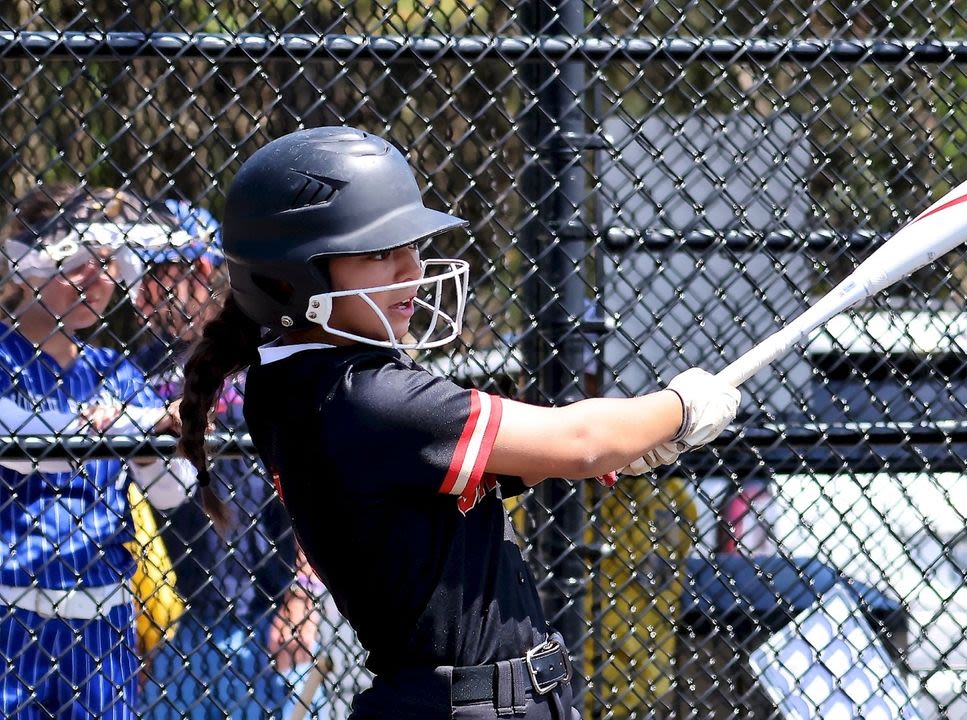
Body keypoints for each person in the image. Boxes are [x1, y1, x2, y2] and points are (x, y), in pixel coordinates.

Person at [174, 126, 742, 720]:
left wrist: (631, 438)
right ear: (291, 279)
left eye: (410, 246)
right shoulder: (364, 394)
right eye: (376, 253)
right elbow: (582, 442)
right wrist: (679, 406)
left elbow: (448, 483)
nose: (409, 271)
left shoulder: (293, 380)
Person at [104, 192, 322, 719]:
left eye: (155, 273)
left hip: (270, 603)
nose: (141, 296)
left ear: (201, 269)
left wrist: (304, 593)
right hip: (187, 608)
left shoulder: (261, 349)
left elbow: (307, 477)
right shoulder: (141, 363)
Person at [0, 184, 194, 718]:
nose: (98, 277)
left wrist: (150, 440)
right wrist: (126, 429)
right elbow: (22, 443)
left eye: (108, 260)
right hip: (11, 612)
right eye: (77, 259)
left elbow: (174, 490)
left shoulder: (116, 371)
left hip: (103, 616)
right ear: (28, 267)